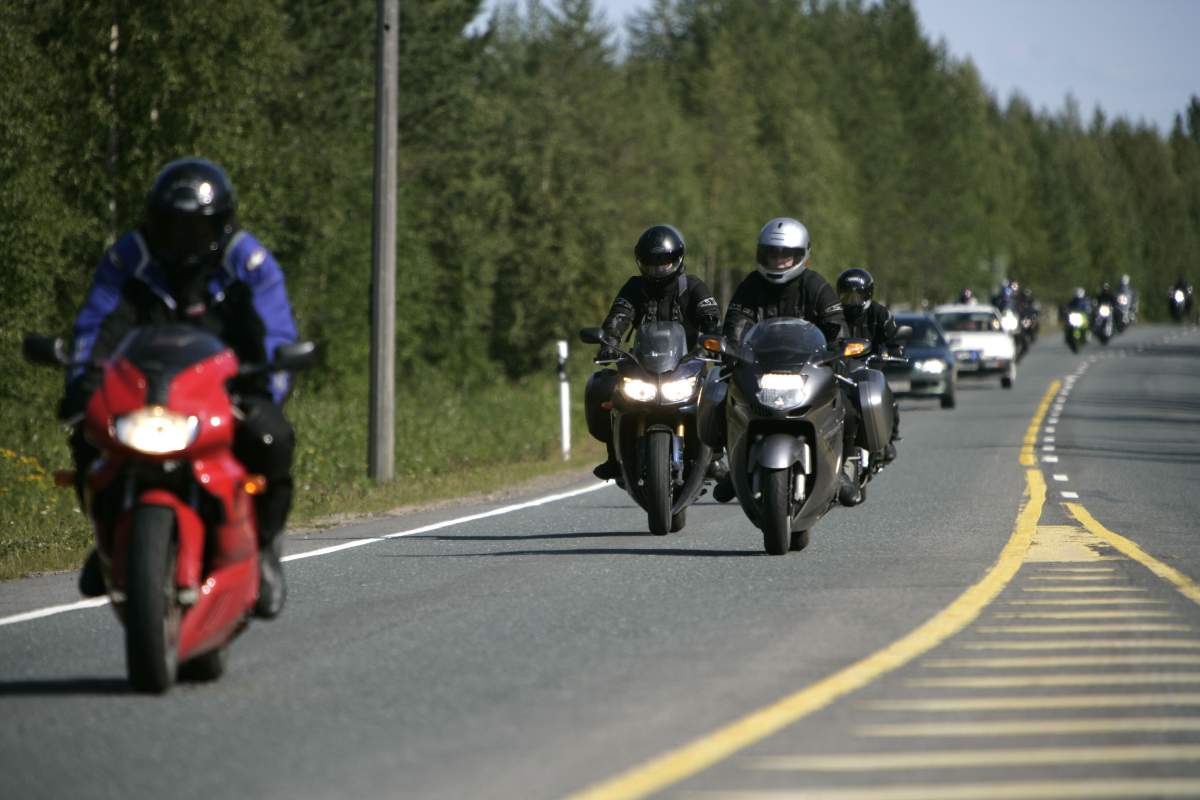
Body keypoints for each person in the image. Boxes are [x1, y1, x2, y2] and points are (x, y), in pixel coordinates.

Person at [61, 157, 299, 619]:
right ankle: (108, 537)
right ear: (153, 221)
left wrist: (268, 383)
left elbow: (275, 329)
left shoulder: (247, 261)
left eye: (195, 228)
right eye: (171, 226)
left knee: (272, 439)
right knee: (85, 434)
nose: (182, 239)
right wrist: (82, 381)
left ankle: (265, 549)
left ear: (221, 224)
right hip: (141, 386)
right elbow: (96, 324)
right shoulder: (129, 258)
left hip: (226, 387)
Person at [718, 218, 863, 505]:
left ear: (801, 255)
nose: (779, 261)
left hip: (807, 370)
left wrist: (838, 353)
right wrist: (729, 352)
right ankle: (729, 465)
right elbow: (735, 324)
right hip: (760, 368)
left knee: (850, 402)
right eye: (773, 254)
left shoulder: (816, 286)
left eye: (785, 255)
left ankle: (842, 468)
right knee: (715, 396)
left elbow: (835, 325)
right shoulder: (751, 286)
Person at [585, 224, 721, 481]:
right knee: (604, 388)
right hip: (643, 363)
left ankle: (714, 455)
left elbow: (710, 316)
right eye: (652, 262)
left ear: (678, 259)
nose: (659, 269)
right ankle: (615, 456)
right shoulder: (634, 288)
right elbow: (619, 316)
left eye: (665, 262)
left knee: (718, 390)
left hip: (686, 363)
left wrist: (712, 337)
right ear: (640, 262)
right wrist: (609, 340)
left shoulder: (693, 287)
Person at [837, 267, 901, 463]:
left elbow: (894, 340)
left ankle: (888, 439)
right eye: (847, 296)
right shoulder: (833, 314)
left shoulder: (880, 314)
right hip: (841, 368)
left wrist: (892, 351)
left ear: (868, 294)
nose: (853, 301)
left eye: (858, 295)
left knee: (888, 398)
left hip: (870, 368)